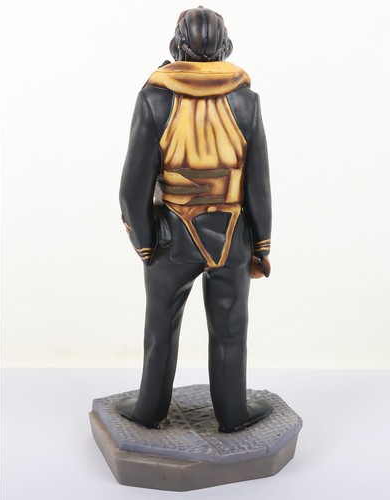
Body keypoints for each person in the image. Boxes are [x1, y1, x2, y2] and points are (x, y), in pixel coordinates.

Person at [117, 6, 273, 433]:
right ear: (225, 45)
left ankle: (149, 410)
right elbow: (258, 183)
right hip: (233, 236)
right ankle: (233, 414)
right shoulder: (246, 101)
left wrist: (145, 242)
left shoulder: (154, 98)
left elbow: (132, 185)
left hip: (172, 235)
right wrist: (261, 245)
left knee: (160, 328)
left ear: (177, 44)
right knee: (230, 330)